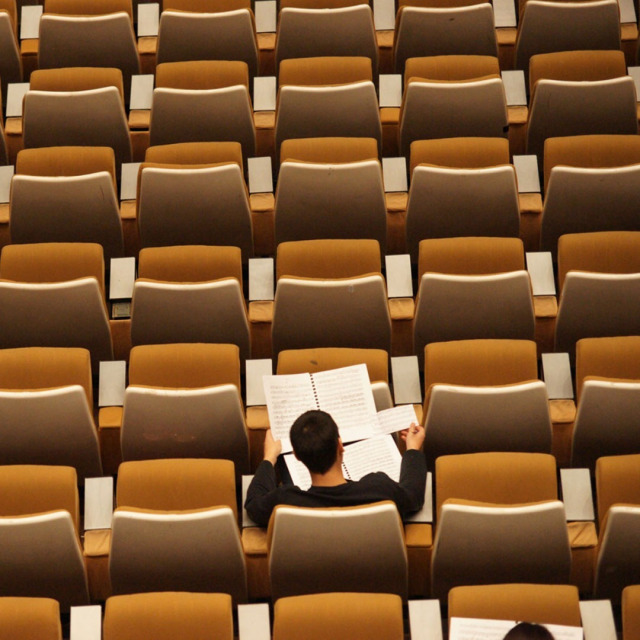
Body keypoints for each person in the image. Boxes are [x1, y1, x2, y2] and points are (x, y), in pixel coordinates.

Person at [244, 409, 427, 526]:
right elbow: (413, 495)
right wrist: (412, 448)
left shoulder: (286, 503)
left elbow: (253, 504)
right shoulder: (379, 489)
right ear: (340, 446)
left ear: (297, 456)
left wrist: (269, 457)